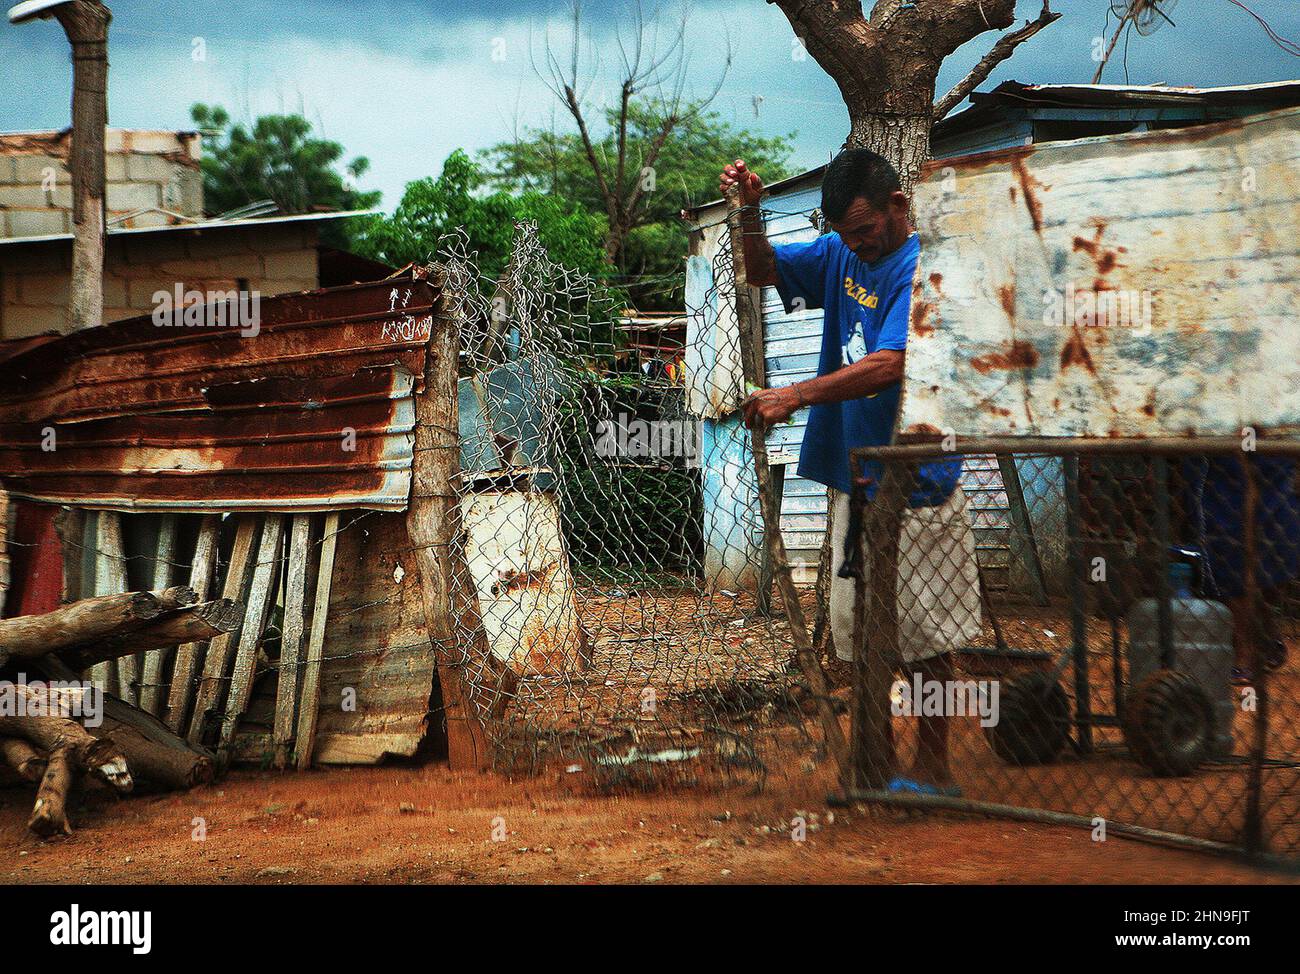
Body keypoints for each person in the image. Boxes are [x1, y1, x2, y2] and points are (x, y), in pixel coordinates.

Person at [718, 151, 982, 794]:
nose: (856, 244)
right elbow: (762, 270)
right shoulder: (843, 255)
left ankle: (935, 768)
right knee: (864, 631)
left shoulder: (920, 268)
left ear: (897, 205)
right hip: (853, 476)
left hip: (917, 477)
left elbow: (892, 362)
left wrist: (796, 395)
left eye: (864, 230)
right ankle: (876, 760)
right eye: (844, 233)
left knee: (923, 637)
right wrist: (749, 213)